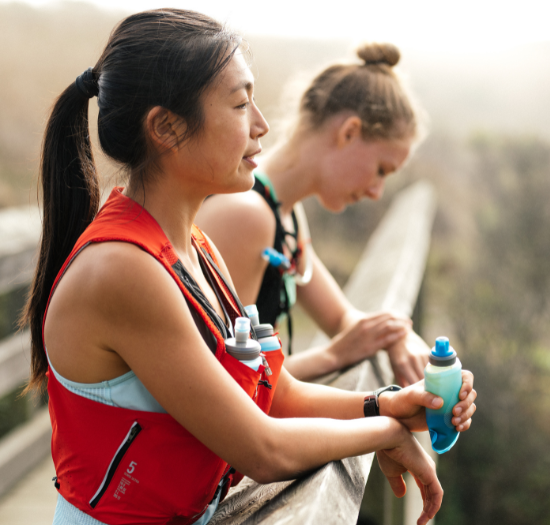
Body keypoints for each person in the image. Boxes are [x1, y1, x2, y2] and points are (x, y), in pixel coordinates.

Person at [22, 10, 476, 525]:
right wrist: (387, 433)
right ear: (166, 127)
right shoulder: (122, 270)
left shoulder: (195, 246)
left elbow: (275, 394)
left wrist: (388, 403)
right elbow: (262, 449)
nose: (261, 124)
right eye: (240, 104)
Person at [196, 43, 430, 385]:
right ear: (348, 133)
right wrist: (333, 357)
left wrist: (400, 337)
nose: (376, 192)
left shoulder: (285, 213)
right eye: (381, 169)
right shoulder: (246, 213)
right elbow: (226, 378)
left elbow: (343, 320)